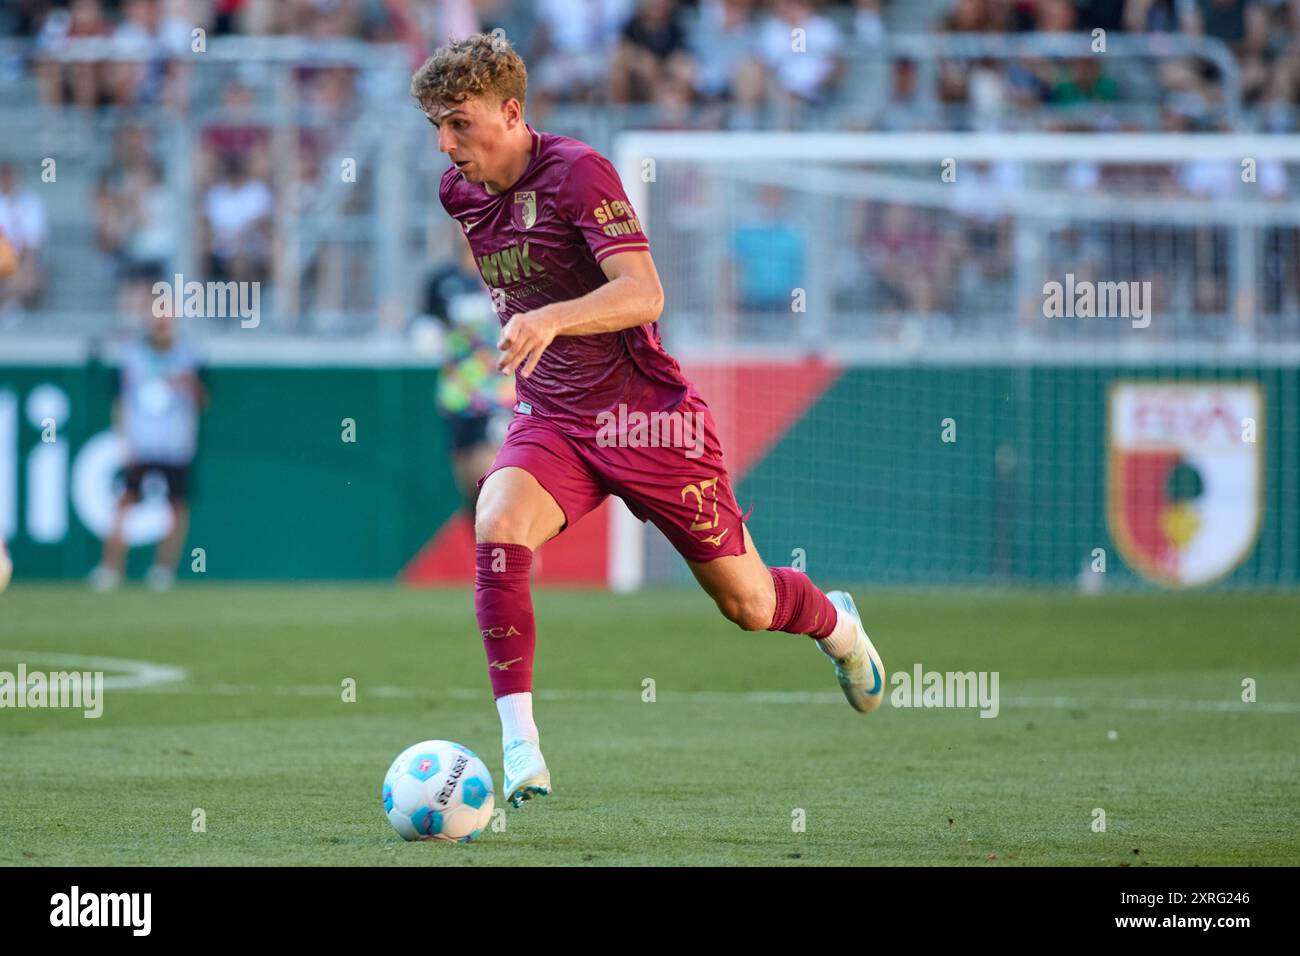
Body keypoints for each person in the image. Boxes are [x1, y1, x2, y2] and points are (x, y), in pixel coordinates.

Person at [412, 34, 885, 812]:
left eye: (459, 123)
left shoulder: (578, 172)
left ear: (510, 111)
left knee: (750, 606)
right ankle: (520, 744)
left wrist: (551, 321)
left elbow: (645, 293)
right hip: (555, 416)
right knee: (496, 522)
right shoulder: (457, 193)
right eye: (435, 125)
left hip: (648, 421)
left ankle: (836, 624)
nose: (445, 143)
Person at [92, 304, 206, 591]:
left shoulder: (190, 355)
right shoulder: (132, 356)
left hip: (176, 444)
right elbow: (120, 401)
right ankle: (110, 569)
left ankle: (163, 570)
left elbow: (204, 400)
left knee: (177, 507)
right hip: (142, 444)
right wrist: (124, 439)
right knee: (125, 502)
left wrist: (189, 384)